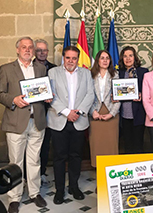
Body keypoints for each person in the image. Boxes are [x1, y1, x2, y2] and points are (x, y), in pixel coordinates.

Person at [0, 37, 47, 213]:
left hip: (37, 121)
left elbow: (42, 91)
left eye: (30, 47)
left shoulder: (41, 68)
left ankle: (34, 193)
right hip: (16, 122)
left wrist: (47, 96)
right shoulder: (6, 69)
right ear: (17, 50)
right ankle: (14, 197)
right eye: (24, 47)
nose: (27, 50)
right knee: (15, 162)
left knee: (35, 160)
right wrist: (13, 100)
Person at [47, 46, 94, 205]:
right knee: (59, 157)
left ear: (78, 59)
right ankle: (59, 190)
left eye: (74, 58)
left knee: (76, 156)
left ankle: (74, 186)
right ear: (63, 58)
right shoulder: (53, 73)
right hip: (59, 120)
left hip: (79, 121)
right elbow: (51, 96)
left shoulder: (86, 73)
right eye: (68, 58)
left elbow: (90, 94)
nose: (71, 61)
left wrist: (78, 112)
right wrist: (67, 112)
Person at [89, 50, 121, 167]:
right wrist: (93, 112)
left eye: (107, 58)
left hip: (111, 113)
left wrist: (112, 113)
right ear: (97, 60)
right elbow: (87, 95)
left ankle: (111, 177)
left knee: (110, 145)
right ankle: (99, 175)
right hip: (95, 113)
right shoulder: (90, 75)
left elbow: (119, 97)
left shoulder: (115, 75)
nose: (105, 60)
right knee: (97, 145)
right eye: (102, 58)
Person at [33, 38, 56, 188]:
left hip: (51, 111)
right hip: (32, 112)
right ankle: (28, 176)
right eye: (39, 50)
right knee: (32, 147)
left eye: (44, 50)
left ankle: (41, 173)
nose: (42, 53)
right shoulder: (28, 67)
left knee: (45, 145)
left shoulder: (54, 69)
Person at [118, 46, 148, 154]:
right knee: (127, 145)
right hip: (124, 115)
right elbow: (116, 90)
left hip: (138, 114)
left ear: (135, 57)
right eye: (125, 56)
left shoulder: (143, 72)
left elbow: (149, 91)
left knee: (138, 144)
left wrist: (141, 95)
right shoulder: (119, 73)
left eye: (130, 55)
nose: (128, 58)